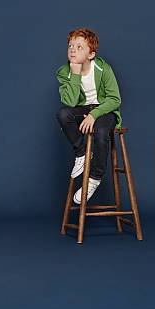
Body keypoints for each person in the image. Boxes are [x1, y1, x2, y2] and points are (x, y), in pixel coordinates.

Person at [55, 28, 122, 204]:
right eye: (70, 46)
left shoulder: (103, 68)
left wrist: (95, 114)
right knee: (63, 115)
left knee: (101, 132)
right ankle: (82, 153)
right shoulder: (64, 72)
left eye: (79, 47)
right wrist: (75, 74)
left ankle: (94, 177)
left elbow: (115, 99)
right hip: (81, 110)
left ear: (91, 54)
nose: (72, 49)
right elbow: (69, 102)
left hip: (104, 111)